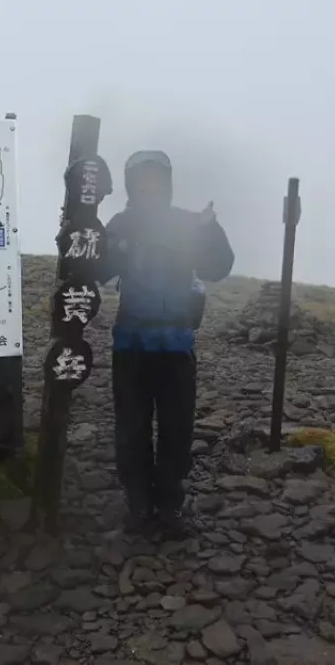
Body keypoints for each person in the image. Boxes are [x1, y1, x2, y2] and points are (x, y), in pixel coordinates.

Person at [101, 150, 235, 538]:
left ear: (168, 181)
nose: (149, 185)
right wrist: (81, 233)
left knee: (177, 431)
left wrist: (210, 229)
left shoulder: (188, 223)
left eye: (156, 178)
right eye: (141, 179)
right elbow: (97, 270)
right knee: (131, 429)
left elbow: (217, 268)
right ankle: (139, 504)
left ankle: (170, 507)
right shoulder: (121, 224)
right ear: (130, 185)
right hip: (131, 343)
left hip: (177, 344)